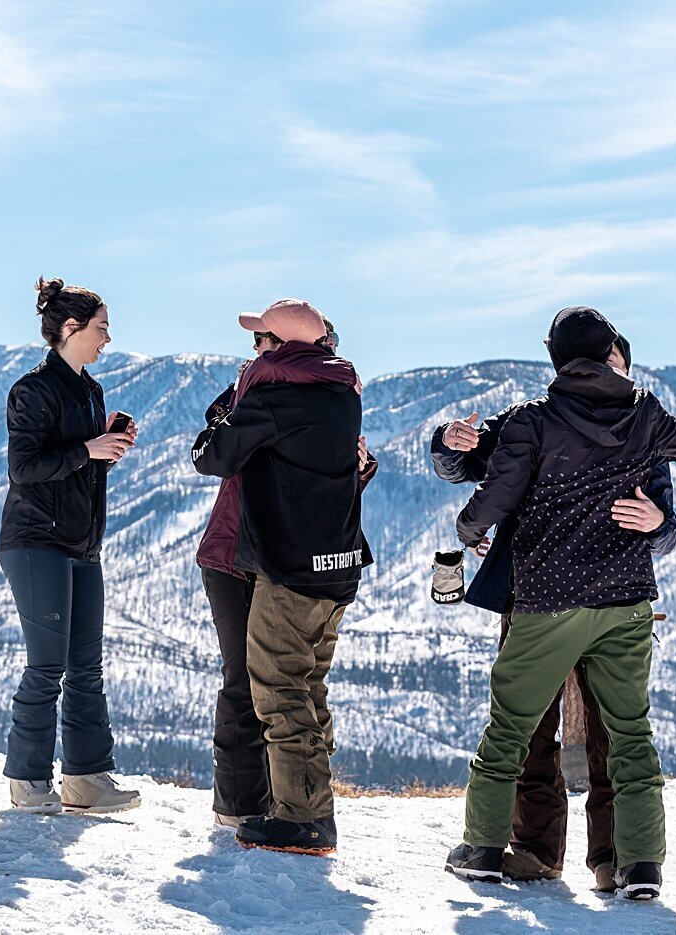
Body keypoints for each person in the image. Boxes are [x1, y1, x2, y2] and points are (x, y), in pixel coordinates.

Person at [443, 306, 676, 901]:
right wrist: (638, 411)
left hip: (549, 599)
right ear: (609, 353)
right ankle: (639, 865)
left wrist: (467, 528)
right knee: (630, 732)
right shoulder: (644, 415)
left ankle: (482, 848)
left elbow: (497, 493)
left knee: (512, 725)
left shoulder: (536, 419)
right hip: (625, 599)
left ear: (556, 358)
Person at [192, 299, 372, 855]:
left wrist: (247, 391)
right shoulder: (344, 396)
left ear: (281, 347)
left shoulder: (271, 395)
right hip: (335, 566)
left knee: (275, 687)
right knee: (307, 687)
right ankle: (304, 805)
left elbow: (211, 455)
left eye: (261, 341)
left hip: (283, 565)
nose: (253, 351)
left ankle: (301, 817)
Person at [0, 277, 142, 815]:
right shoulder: (31, 390)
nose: (108, 337)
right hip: (35, 542)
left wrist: (104, 447)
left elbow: (77, 461)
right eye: (102, 328)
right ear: (71, 328)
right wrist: (87, 448)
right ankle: (29, 780)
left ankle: (86, 780)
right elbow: (25, 468)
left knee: (86, 665)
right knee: (46, 665)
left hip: (82, 543)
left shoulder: (89, 390)